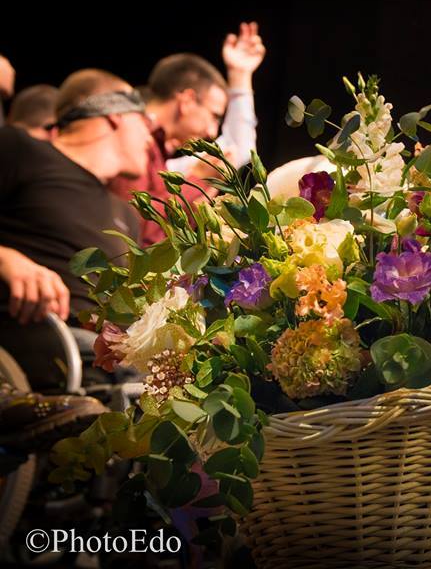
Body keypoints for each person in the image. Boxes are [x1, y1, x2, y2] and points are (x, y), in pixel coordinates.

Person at [0, 69, 152, 386]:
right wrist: (6, 260)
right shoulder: (20, 150)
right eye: (144, 123)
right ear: (116, 116)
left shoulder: (126, 215)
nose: (150, 138)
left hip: (113, 359)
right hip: (42, 346)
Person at [109, 22, 266, 245]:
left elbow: (235, 152)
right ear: (188, 101)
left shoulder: (161, 153)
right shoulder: (131, 139)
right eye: (213, 115)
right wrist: (198, 179)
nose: (212, 131)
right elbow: (135, 230)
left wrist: (240, 75)